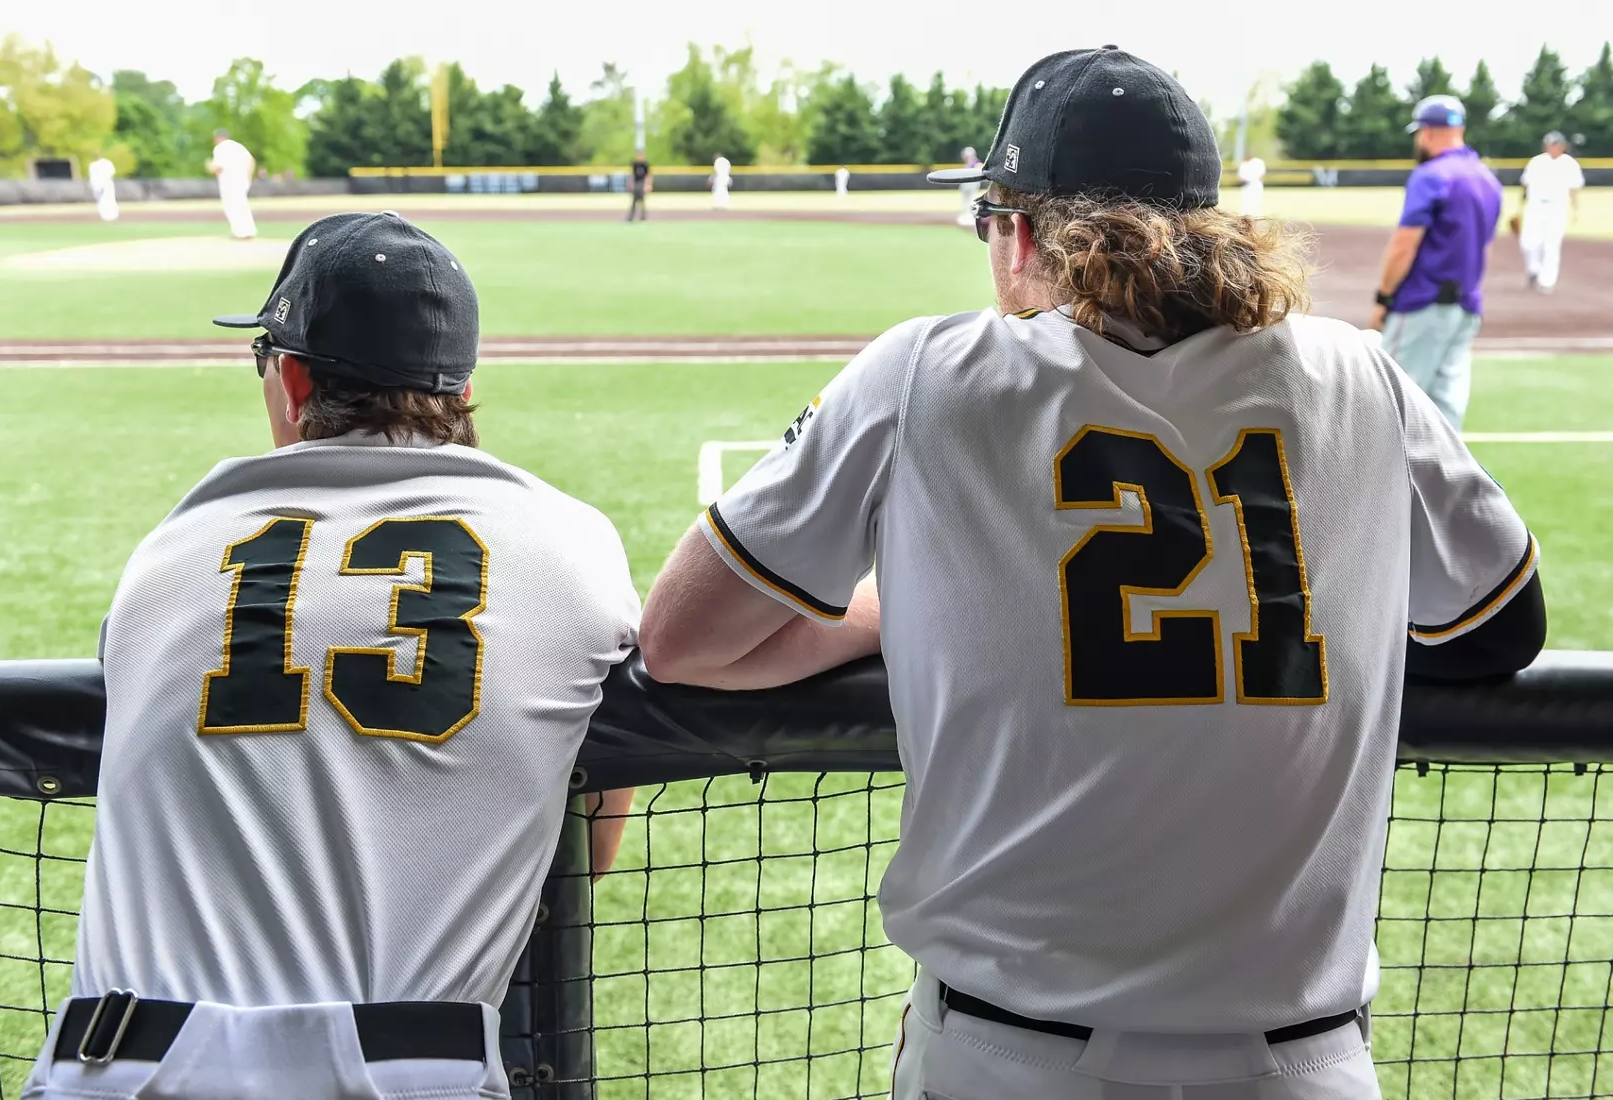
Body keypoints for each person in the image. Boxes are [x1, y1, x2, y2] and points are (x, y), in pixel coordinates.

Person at [638, 45, 1545, 1100]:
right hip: (1304, 1064)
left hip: (1008, 1059)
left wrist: (886, 615)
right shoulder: (1359, 373)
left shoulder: (929, 372)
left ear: (1019, 233)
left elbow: (681, 639)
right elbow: (1499, 627)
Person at [21, 212, 640, 1100]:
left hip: (119, 1063)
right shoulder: (570, 546)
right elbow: (593, 842)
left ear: (296, 378)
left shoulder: (171, 551)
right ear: (464, 390)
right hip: (412, 1072)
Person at [1368, 95, 1501, 431]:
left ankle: (1389, 484)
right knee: (1446, 412)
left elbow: (1404, 245)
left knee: (1391, 405)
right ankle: (1445, 483)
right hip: (1466, 307)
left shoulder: (1431, 175)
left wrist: (1384, 298)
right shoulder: (1488, 179)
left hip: (1421, 304)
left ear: (1427, 132)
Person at [1515, 130, 1585, 294]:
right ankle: (1534, 270)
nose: (1551, 147)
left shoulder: (1570, 164)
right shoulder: (1536, 162)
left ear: (1562, 146)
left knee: (1551, 245)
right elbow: (1525, 185)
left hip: (1557, 207)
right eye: (1549, 143)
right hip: (1535, 206)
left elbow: (1574, 189)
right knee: (1528, 243)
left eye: (1554, 144)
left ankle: (1547, 281)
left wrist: (1575, 210)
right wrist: (1520, 208)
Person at [207, 128, 258, 240]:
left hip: (229, 182)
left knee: (232, 206)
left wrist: (209, 167)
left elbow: (218, 168)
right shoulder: (238, 147)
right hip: (243, 181)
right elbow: (252, 161)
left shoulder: (220, 148)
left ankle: (240, 233)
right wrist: (248, 177)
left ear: (218, 138)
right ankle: (249, 231)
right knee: (242, 205)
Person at [87, 155, 119, 222]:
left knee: (103, 200)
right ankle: (109, 215)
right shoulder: (97, 164)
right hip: (103, 184)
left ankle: (107, 215)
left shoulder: (94, 165)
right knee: (106, 199)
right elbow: (112, 174)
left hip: (100, 184)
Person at [956, 146, 982, 227]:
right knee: (965, 201)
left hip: (972, 185)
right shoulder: (967, 164)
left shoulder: (976, 163)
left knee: (971, 200)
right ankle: (965, 214)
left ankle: (971, 216)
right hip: (965, 185)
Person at [1237, 149, 1267, 216]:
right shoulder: (1243, 164)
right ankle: (1246, 216)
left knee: (1257, 201)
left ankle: (1257, 215)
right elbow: (1240, 176)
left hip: (1256, 185)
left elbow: (1262, 173)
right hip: (1246, 187)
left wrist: (1254, 180)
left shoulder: (1258, 162)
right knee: (1246, 203)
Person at [626, 152, 651, 222]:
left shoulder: (645, 165)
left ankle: (643, 217)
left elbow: (648, 175)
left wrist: (648, 185)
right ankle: (630, 217)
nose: (640, 158)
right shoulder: (635, 164)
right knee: (634, 202)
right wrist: (630, 184)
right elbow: (632, 175)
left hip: (642, 183)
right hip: (636, 183)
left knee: (642, 201)